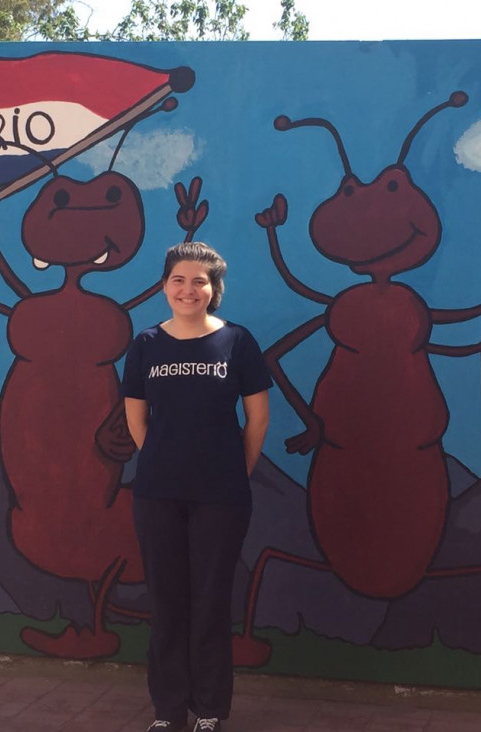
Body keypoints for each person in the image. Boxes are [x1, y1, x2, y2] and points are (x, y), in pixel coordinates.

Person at [122, 241, 272, 732]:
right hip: (158, 494)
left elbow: (256, 418)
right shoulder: (145, 344)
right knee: (166, 602)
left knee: (210, 601)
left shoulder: (238, 342)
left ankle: (208, 710)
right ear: (165, 285)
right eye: (179, 280)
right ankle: (169, 712)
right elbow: (136, 419)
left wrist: (233, 470)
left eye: (200, 281)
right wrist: (166, 461)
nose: (189, 290)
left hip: (222, 496)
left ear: (214, 289)